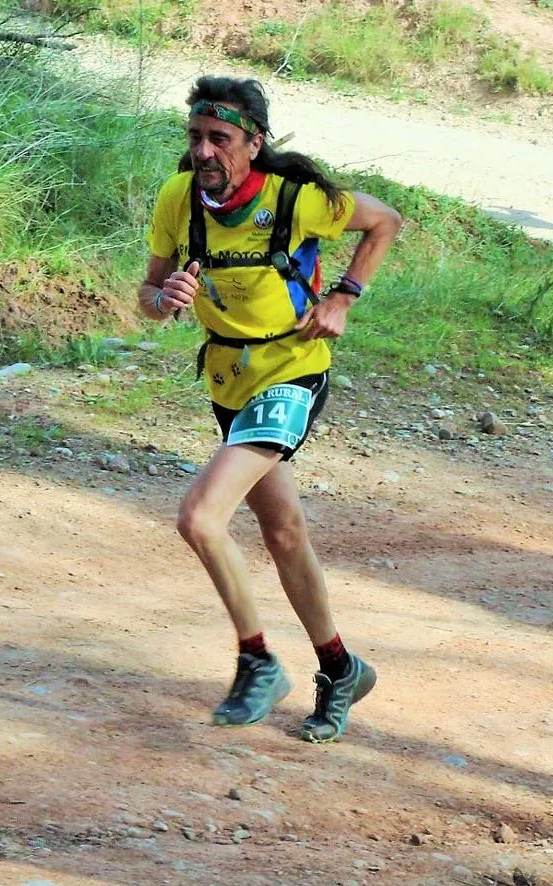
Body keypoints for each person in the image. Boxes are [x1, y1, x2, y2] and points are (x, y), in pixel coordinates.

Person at [140, 76, 402, 743]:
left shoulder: (298, 200)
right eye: (195, 137)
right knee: (283, 535)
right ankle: (341, 668)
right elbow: (146, 294)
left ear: (253, 145)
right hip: (228, 380)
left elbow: (384, 221)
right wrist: (161, 296)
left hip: (291, 373)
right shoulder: (178, 198)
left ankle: (256, 659)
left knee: (200, 518)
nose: (203, 151)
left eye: (218, 139)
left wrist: (341, 298)